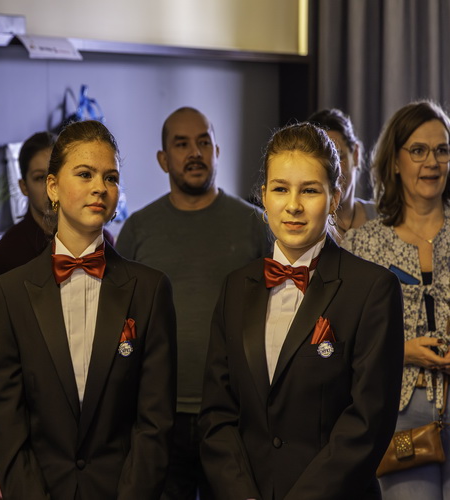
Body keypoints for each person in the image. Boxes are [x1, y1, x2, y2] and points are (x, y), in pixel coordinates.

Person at [200, 122, 404, 500]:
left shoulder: (373, 289)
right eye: (280, 189)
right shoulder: (235, 288)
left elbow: (367, 423)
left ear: (334, 197)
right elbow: (217, 414)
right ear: (263, 196)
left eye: (309, 190)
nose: (293, 205)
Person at [0, 120, 177, 499]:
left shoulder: (150, 290)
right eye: (85, 174)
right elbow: (7, 421)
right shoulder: (11, 292)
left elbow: (154, 422)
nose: (100, 187)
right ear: (53, 187)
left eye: (111, 177)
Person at [115, 106, 268, 499]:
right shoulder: (138, 230)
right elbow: (119, 321)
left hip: (236, 413)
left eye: (203, 142)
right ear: (163, 159)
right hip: (158, 415)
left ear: (218, 150)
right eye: (181, 144)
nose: (195, 153)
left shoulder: (255, 225)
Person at [342, 100, 450, 499]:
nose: (432, 162)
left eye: (442, 150)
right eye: (418, 150)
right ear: (395, 162)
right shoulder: (362, 245)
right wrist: (402, 351)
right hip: (400, 414)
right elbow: (342, 342)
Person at [0, 131, 114, 310]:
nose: (50, 187)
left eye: (57, 175)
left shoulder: (102, 241)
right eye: (39, 178)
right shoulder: (4, 254)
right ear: (24, 187)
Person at [308, 108, 376, 239]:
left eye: (339, 157)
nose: (332, 171)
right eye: (322, 161)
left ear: (355, 154)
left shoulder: (385, 218)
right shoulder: (303, 225)